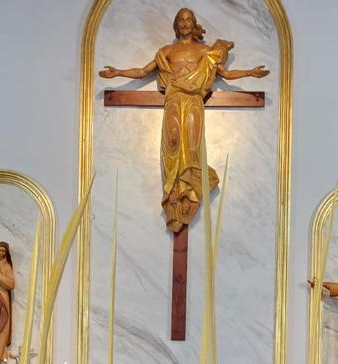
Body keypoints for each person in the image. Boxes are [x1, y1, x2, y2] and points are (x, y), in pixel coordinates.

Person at [98, 7, 268, 232]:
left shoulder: (205, 51)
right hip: (173, 102)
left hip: (194, 102)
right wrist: (118, 72)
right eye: (181, 20)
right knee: (173, 142)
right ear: (176, 25)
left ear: (194, 24)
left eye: (189, 20)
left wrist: (249, 73)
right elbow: (141, 72)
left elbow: (226, 74)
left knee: (193, 145)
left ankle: (189, 192)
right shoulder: (167, 51)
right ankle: (174, 195)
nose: (186, 24)